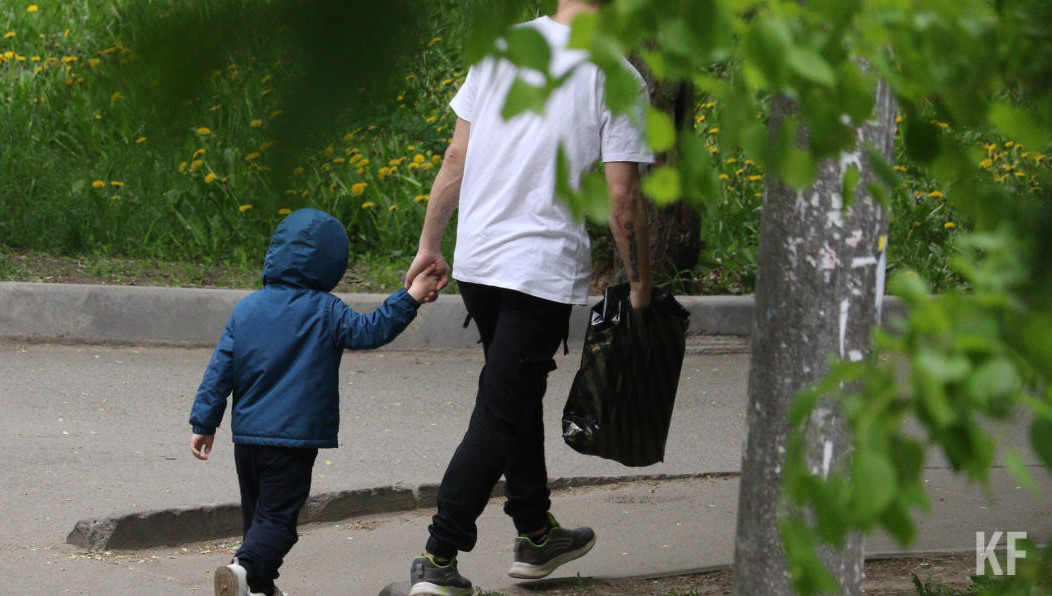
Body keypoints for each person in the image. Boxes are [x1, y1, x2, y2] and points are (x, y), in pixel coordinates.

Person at [402, 1, 654, 593]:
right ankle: (438, 557)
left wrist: (429, 244)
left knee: (514, 395)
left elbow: (456, 157)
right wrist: (640, 282)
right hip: (537, 269)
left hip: (479, 262)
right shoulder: (617, 76)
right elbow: (621, 197)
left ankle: (536, 533)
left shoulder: (501, 47)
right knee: (500, 409)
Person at [189, 208, 439, 596]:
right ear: (331, 262)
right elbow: (370, 331)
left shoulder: (248, 308)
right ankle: (244, 569)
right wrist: (411, 297)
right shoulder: (326, 310)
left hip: (248, 440)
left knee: (258, 519)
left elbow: (220, 369)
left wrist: (204, 423)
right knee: (278, 522)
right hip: (292, 441)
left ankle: (259, 586)